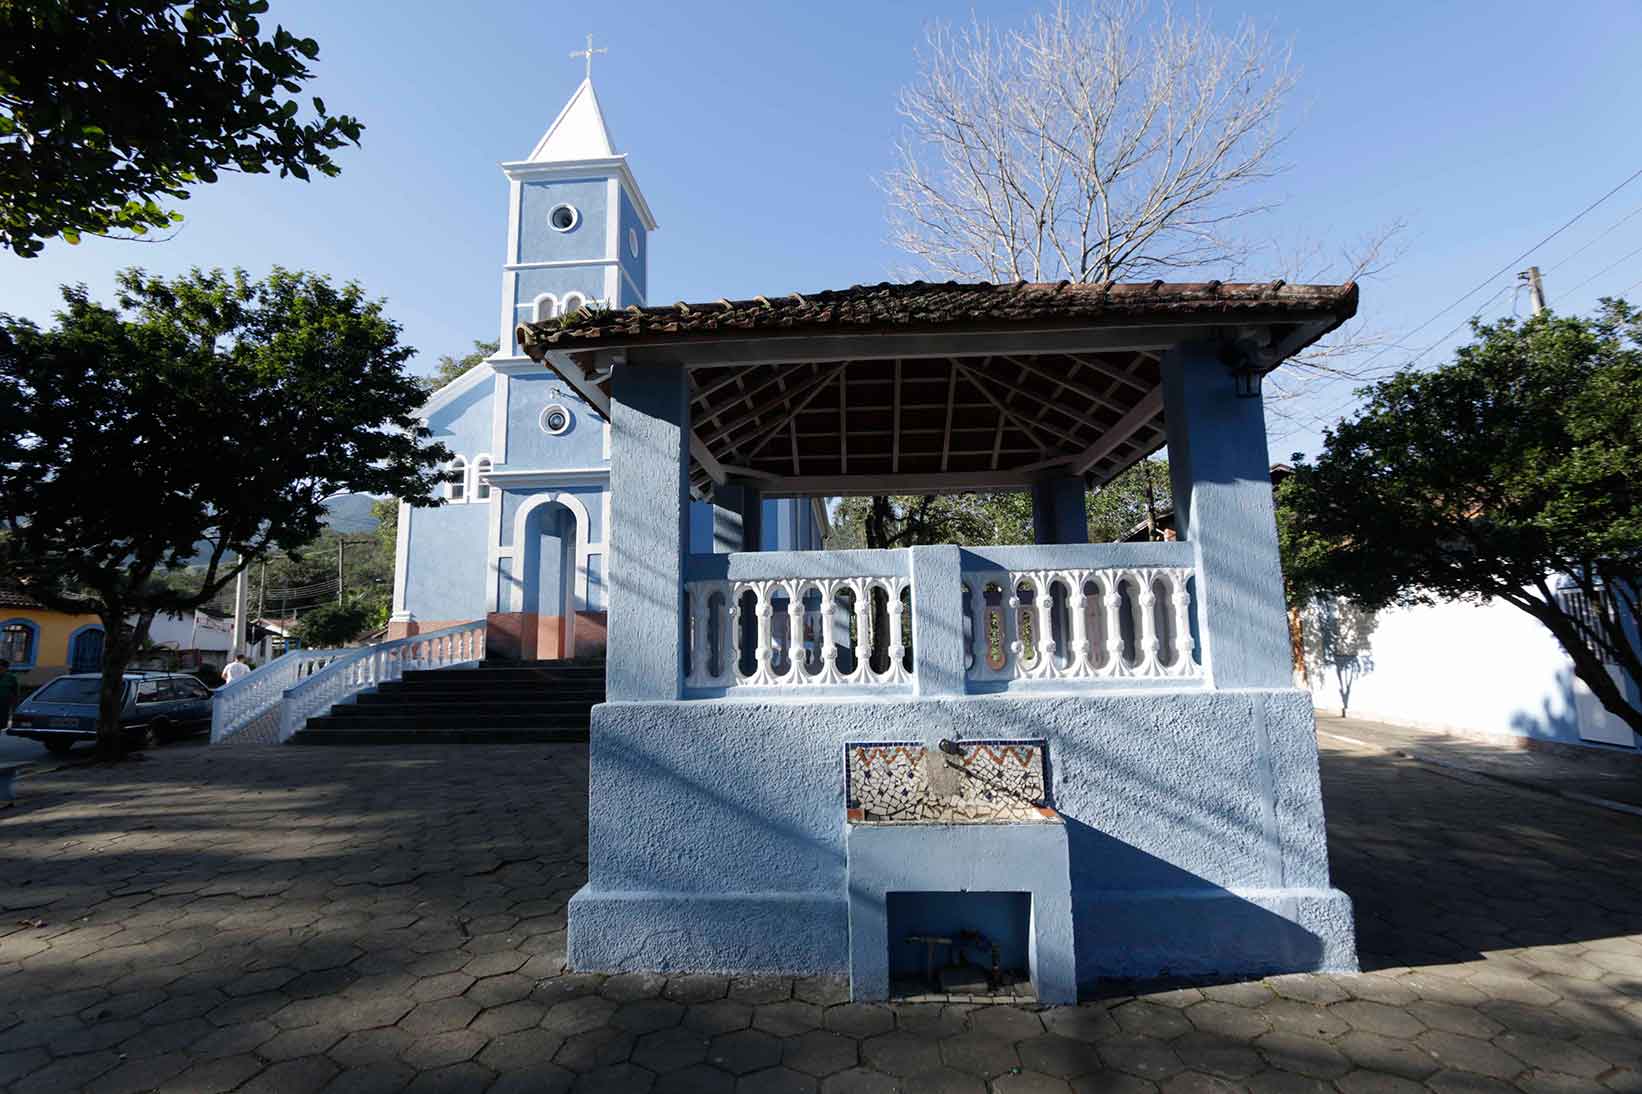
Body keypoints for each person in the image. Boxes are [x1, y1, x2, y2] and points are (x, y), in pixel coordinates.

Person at [0, 660, 19, 727]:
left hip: (4, 706)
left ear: (6, 669)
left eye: (2, 668)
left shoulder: (11, 678)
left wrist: (14, 707)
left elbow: (15, 693)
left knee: (2, 723)